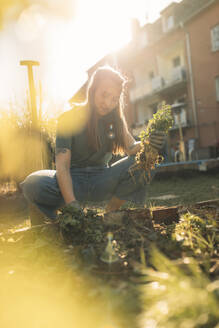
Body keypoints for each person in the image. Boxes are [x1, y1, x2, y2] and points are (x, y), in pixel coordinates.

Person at [20, 66, 166, 225]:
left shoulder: (114, 122)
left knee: (147, 162)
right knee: (33, 184)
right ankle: (57, 216)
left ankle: (111, 212)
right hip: (72, 180)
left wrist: (148, 143)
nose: (108, 103)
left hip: (102, 180)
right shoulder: (68, 119)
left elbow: (131, 149)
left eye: (114, 98)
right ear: (93, 89)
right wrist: (72, 203)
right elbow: (62, 167)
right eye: (104, 95)